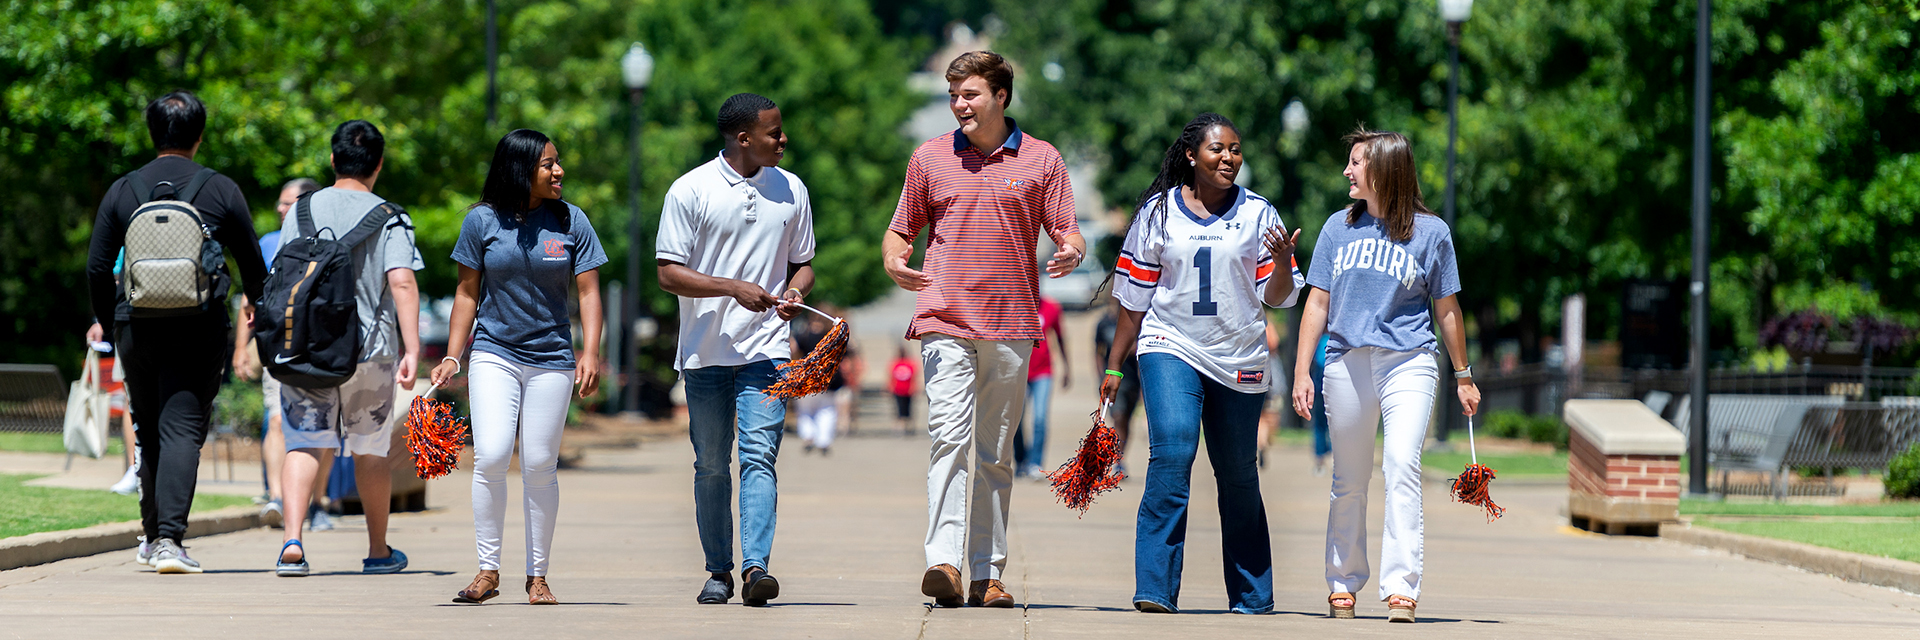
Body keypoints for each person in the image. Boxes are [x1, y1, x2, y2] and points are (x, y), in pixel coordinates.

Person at [882, 51, 1085, 609]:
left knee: (995, 452)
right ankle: (943, 562)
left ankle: (985, 574)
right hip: (943, 318)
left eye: (969, 94)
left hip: (1013, 323)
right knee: (948, 436)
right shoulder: (929, 158)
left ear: (1000, 96)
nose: (958, 105)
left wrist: (1070, 248)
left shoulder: (1042, 160)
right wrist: (895, 260)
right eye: (952, 95)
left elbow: (1068, 231)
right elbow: (900, 231)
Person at [1100, 112, 1303, 614]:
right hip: (1170, 346)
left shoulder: (1259, 215)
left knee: (1237, 472)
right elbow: (1133, 300)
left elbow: (1279, 298)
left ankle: (1252, 595)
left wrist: (1279, 265)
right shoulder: (1157, 213)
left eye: (1235, 149)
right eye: (1218, 149)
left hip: (1238, 355)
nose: (1229, 158)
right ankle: (1155, 588)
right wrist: (1113, 364)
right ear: (1191, 155)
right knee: (1172, 453)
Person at [1292, 127, 1480, 623]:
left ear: (1383, 170)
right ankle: (1343, 584)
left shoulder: (1432, 233)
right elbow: (1317, 301)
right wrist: (1300, 371)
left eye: (1356, 163)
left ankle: (1401, 590)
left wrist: (1463, 375)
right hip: (1347, 360)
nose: (1347, 172)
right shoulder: (1337, 228)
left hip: (1409, 361)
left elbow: (1448, 309)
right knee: (1349, 478)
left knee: (1401, 466)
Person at [85, 90, 269, 574]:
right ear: (200, 136)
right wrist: (258, 308)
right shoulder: (220, 189)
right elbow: (252, 262)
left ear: (151, 134)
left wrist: (108, 319)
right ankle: (168, 539)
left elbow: (97, 266)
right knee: (184, 427)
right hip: (200, 325)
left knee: (148, 429)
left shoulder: (124, 189)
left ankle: (151, 538)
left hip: (135, 325)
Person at [430, 129, 605, 605]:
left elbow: (588, 291)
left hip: (551, 357)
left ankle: (537, 575)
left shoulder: (571, 220)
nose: (559, 171)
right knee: (488, 455)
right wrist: (452, 353)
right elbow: (467, 293)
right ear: (520, 170)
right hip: (494, 351)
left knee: (538, 464)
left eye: (558, 162)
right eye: (548, 165)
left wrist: (589, 352)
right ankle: (488, 571)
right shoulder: (481, 221)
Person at [655, 93, 814, 607]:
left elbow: (803, 263)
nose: (783, 139)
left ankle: (755, 568)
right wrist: (732, 287)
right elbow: (667, 273)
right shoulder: (690, 189)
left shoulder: (792, 189)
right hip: (704, 353)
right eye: (775, 133)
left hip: (766, 350)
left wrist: (795, 292)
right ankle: (718, 569)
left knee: (759, 457)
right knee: (710, 465)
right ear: (743, 138)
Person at [271, 121, 423, 578]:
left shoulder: (299, 210)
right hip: (369, 351)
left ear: (333, 160)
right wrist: (412, 348)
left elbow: (280, 275)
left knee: (302, 443)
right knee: (370, 450)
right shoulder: (391, 216)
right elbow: (401, 280)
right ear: (378, 164)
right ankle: (378, 552)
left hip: (306, 350)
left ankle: (292, 543)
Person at [234, 178, 328, 527]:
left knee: (321, 427)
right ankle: (276, 497)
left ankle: (316, 503)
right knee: (276, 419)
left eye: (287, 203)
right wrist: (241, 348)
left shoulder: (329, 238)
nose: (279, 209)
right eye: (279, 202)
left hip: (320, 347)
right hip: (277, 343)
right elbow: (250, 297)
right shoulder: (269, 243)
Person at [1014, 296, 1069, 478]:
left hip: (1043, 373)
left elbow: (1060, 338)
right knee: (1016, 420)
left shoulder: (1051, 307)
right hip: (1018, 371)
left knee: (1040, 418)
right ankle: (1021, 460)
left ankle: (1035, 462)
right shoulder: (1015, 304)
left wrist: (1067, 367)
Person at [1091, 296, 1140, 476]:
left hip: (1133, 380)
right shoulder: (1104, 323)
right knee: (1118, 417)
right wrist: (1100, 375)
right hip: (1114, 379)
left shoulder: (1139, 323)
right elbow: (1097, 351)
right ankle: (1117, 460)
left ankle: (1121, 457)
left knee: (1127, 421)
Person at [792, 312, 843, 455]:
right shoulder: (832, 337)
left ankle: (808, 436)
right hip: (829, 380)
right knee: (827, 410)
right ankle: (824, 441)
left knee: (805, 411)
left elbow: (793, 349)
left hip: (807, 379)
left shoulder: (802, 336)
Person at [889, 345, 917, 436]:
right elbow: (891, 376)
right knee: (899, 408)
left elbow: (914, 376)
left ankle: (909, 426)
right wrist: (890, 387)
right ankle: (900, 426)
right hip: (898, 390)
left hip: (907, 390)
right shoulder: (895, 363)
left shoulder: (910, 363)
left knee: (908, 409)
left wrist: (914, 387)